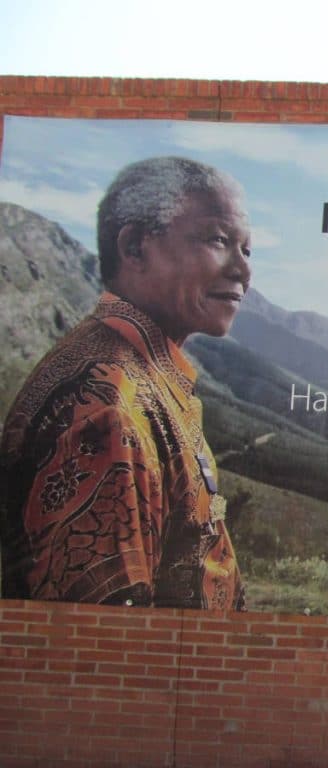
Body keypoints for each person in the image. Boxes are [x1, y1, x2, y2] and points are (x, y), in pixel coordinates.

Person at [0, 157, 251, 610]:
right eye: (218, 240)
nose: (242, 271)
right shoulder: (109, 411)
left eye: (246, 249)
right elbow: (100, 640)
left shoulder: (138, 372)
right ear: (135, 247)